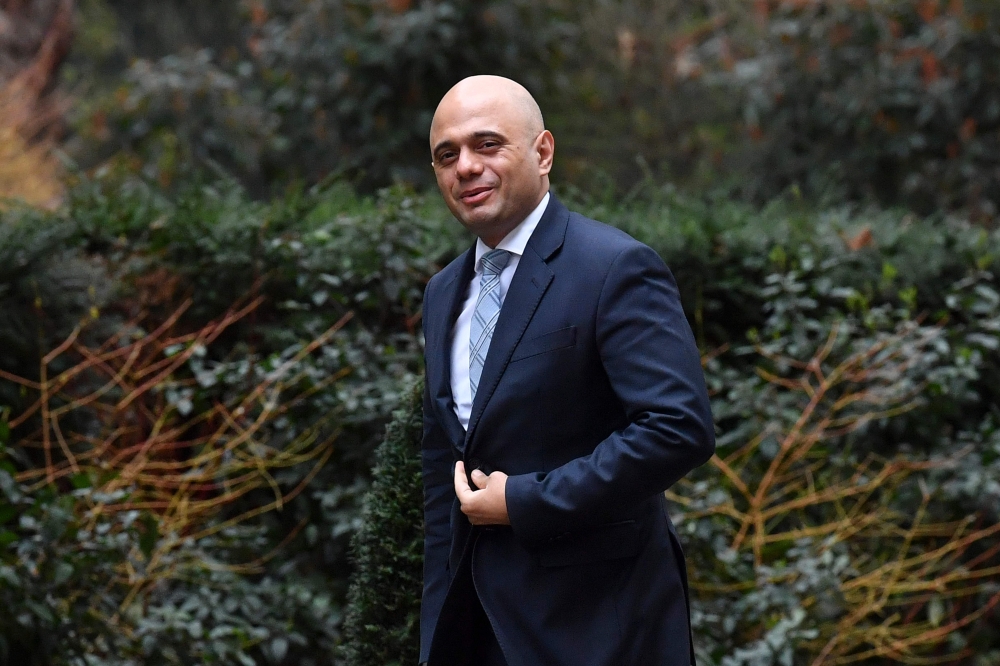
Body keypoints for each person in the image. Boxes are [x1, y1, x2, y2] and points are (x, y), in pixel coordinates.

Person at [419, 75, 715, 666]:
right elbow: (440, 478)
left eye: (487, 144)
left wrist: (526, 501)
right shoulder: (442, 292)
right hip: (474, 633)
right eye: (446, 155)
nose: (466, 167)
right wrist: (434, 636)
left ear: (544, 152)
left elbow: (678, 428)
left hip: (599, 631)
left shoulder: (615, 267)